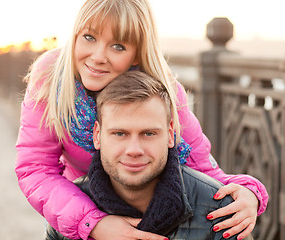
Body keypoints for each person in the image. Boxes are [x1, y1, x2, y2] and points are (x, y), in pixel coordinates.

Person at [15, 0, 268, 240]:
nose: (98, 56)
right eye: (89, 37)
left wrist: (248, 193)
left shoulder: (161, 91)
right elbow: (35, 168)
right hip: (83, 206)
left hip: (152, 209)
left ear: (136, 54)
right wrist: (92, 223)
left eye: (118, 46)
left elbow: (201, 165)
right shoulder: (50, 80)